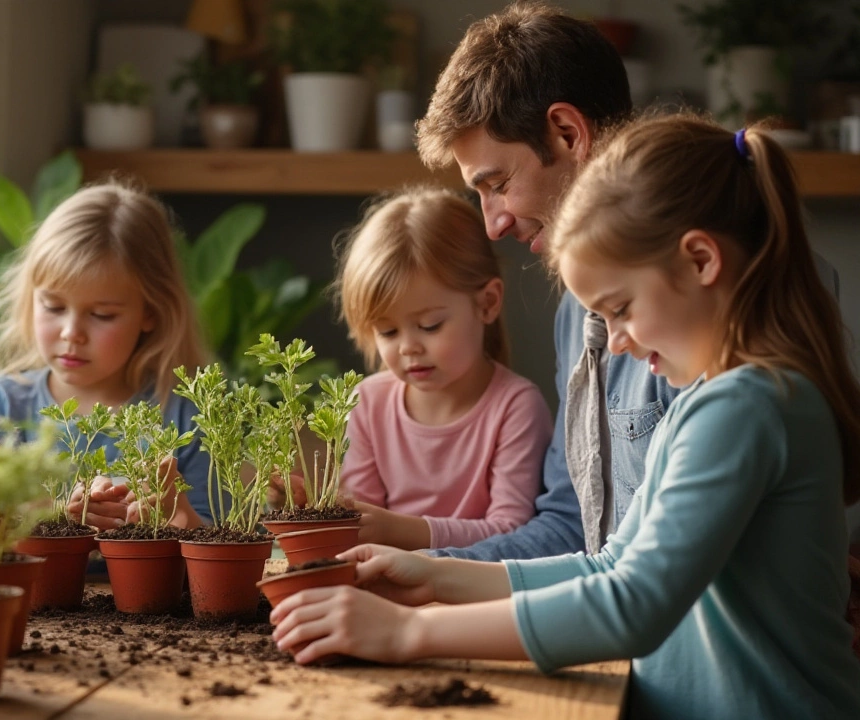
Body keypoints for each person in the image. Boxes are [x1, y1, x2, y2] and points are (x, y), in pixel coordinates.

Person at [270, 115, 860, 718]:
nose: (619, 343)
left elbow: (632, 604)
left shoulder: (745, 406)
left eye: (622, 308)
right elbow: (610, 565)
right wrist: (430, 575)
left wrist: (406, 634)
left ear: (700, 260)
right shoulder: (717, 399)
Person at [413, 2, 840, 560]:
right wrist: (414, 572)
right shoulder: (578, 311)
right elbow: (574, 531)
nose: (491, 225)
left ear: (568, 133)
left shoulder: (705, 300)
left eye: (496, 184)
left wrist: (414, 608)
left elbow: (648, 579)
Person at [0, 181, 211, 530]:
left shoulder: (184, 414)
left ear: (151, 312)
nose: (71, 333)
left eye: (102, 315)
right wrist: (45, 512)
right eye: (53, 306)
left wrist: (176, 515)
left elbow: (217, 547)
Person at [333, 188, 551, 550]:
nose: (408, 347)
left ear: (487, 303)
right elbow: (360, 523)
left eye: (430, 325)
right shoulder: (367, 403)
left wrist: (401, 531)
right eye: (387, 331)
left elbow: (512, 532)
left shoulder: (515, 406)